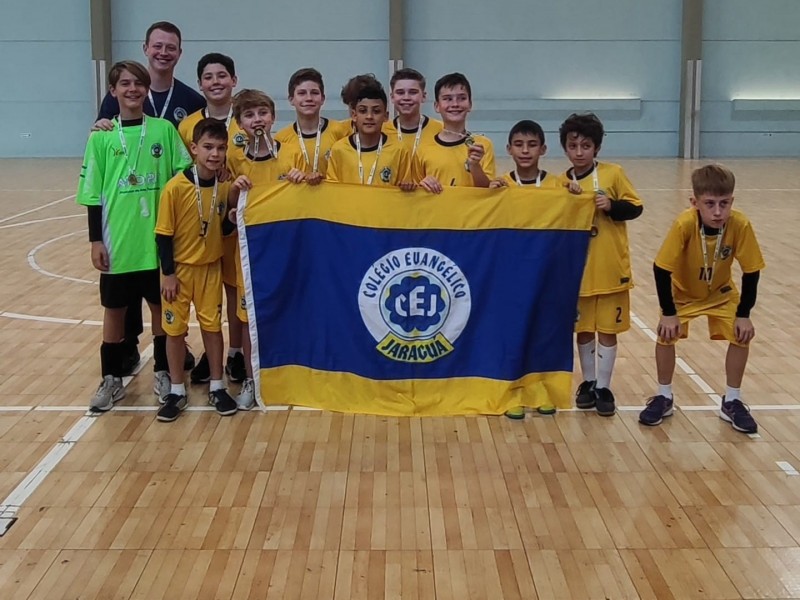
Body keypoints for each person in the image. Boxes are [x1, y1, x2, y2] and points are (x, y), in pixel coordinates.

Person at [76, 60, 192, 412]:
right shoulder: (101, 138)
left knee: (161, 309)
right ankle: (111, 378)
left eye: (138, 83)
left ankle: (161, 371)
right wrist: (96, 240)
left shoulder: (163, 131)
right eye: (124, 84)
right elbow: (93, 193)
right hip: (117, 242)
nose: (132, 89)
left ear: (146, 89)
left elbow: (181, 178)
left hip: (156, 242)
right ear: (113, 91)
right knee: (114, 312)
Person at [94, 21, 205, 375]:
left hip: (169, 213)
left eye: (170, 47)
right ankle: (124, 349)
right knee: (123, 295)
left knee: (165, 292)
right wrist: (99, 125)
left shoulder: (191, 100)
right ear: (146, 48)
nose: (163, 52)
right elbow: (102, 143)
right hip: (129, 215)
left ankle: (173, 350)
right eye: (157, 45)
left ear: (179, 53)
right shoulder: (116, 100)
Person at [639, 164, 765, 433]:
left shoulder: (740, 224)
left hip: (720, 293)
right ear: (694, 202)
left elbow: (752, 270)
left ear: (732, 201)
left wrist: (744, 314)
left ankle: (732, 400)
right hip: (683, 293)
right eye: (710, 204)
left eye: (725, 203)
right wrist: (668, 311)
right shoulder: (684, 224)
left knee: (741, 334)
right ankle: (664, 396)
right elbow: (661, 268)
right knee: (665, 333)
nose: (718, 212)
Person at [559, 113, 643, 417]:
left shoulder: (613, 174)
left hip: (610, 270)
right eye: (573, 145)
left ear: (597, 148)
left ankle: (604, 387)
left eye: (586, 145)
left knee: (608, 330)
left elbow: (636, 208)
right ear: (565, 148)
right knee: (583, 330)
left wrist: (611, 206)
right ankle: (588, 381)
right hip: (579, 273)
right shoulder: (562, 183)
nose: (579, 151)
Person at [155, 118, 239, 422]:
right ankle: (177, 389)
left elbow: (225, 228)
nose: (214, 154)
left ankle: (217, 385)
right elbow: (163, 234)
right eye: (207, 147)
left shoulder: (225, 185)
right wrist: (168, 273)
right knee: (174, 331)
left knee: (213, 327)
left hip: (210, 269)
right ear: (194, 148)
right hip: (178, 271)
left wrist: (231, 213)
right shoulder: (175, 188)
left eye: (220, 148)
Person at [178, 53, 248, 386]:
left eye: (222, 75)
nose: (216, 81)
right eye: (209, 76)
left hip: (234, 220)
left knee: (234, 291)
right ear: (200, 84)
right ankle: (211, 353)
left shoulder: (247, 120)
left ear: (234, 80)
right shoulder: (186, 125)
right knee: (206, 296)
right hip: (197, 224)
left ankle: (234, 353)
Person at [226, 89, 294, 409]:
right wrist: (233, 191)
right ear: (239, 124)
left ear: (273, 116)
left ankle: (288, 375)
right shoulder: (235, 159)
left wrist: (301, 179)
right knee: (251, 316)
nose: (257, 120)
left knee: (286, 309)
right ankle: (253, 380)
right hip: (250, 252)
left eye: (262, 113)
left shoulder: (290, 152)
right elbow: (226, 206)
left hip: (286, 249)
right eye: (250, 115)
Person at [489, 119, 559, 419]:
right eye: (519, 144)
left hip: (544, 273)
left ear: (543, 148)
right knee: (509, 333)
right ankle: (510, 390)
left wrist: (574, 195)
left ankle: (540, 388)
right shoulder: (500, 185)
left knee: (542, 332)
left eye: (532, 145)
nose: (525, 150)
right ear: (509, 149)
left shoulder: (557, 186)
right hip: (509, 275)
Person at [413, 72, 495, 192]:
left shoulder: (482, 146)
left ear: (470, 104)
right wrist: (423, 184)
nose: (455, 104)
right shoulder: (422, 148)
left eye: (462, 98)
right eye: (448, 99)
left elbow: (489, 192)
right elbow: (414, 195)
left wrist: (475, 166)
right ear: (437, 106)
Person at [327, 80, 414, 188]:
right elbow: (331, 190)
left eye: (376, 111)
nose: (369, 116)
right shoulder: (339, 150)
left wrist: (408, 186)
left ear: (386, 116)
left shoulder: (400, 150)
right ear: (354, 115)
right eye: (363, 111)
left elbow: (406, 189)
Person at [274, 68, 351, 185]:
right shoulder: (281, 138)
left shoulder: (341, 131)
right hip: (298, 201)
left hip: (333, 200)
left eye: (314, 93)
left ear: (323, 99)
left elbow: (348, 170)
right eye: (301, 93)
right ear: (291, 99)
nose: (309, 98)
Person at [383, 68, 443, 159]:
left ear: (423, 96)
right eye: (400, 92)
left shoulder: (440, 130)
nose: (406, 97)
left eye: (413, 92)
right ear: (392, 97)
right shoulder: (382, 131)